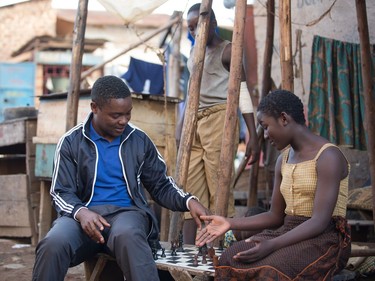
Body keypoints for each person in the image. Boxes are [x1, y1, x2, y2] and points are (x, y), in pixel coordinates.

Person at [32, 75, 210, 281]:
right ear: (95, 108)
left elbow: (160, 184)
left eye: (128, 114)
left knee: (129, 235)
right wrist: (81, 213)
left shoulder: (139, 140)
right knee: (53, 243)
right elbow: (60, 191)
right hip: (82, 218)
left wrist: (189, 201)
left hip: (127, 215)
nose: (124, 121)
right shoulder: (71, 142)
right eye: (116, 115)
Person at [196, 90, 351, 280]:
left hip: (324, 239)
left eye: (266, 126)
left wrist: (273, 244)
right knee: (230, 257)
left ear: (284, 119)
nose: (266, 135)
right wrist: (230, 223)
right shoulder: (283, 160)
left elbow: (319, 221)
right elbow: (275, 215)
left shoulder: (328, 157)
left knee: (270, 270)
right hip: (287, 231)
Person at [181, 3, 260, 244]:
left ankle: (222, 250)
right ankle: (188, 252)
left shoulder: (228, 51)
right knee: (189, 188)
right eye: (191, 28)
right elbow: (190, 91)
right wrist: (182, 123)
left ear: (213, 24)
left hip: (219, 119)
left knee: (219, 184)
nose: (195, 32)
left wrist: (253, 134)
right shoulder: (194, 52)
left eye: (199, 26)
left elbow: (243, 92)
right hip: (194, 121)